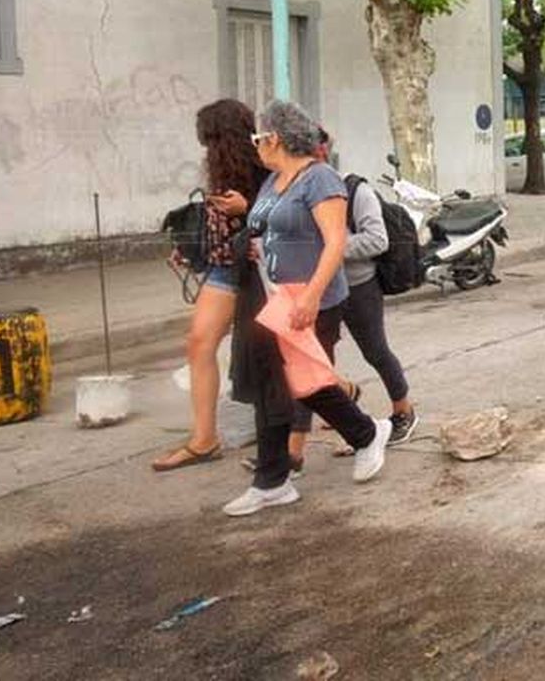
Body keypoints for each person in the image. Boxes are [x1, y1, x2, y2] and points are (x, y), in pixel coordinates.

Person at [224, 100, 390, 517]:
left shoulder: (320, 179)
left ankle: (367, 434)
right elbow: (267, 223)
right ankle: (272, 480)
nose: (256, 145)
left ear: (274, 138)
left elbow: (335, 241)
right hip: (274, 297)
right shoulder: (273, 181)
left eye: (258, 138)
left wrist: (312, 297)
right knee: (276, 387)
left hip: (312, 300)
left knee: (307, 384)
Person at [152, 100, 268, 472]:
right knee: (199, 343)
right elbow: (214, 222)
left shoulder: (265, 161)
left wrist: (246, 208)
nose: (206, 149)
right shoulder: (218, 169)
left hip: (259, 270)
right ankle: (204, 439)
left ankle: (342, 399)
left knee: (287, 350)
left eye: (210, 139)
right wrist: (190, 252)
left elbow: (288, 215)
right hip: (222, 268)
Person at [317, 130, 418, 446]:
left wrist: (331, 248)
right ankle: (340, 406)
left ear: (320, 153)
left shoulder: (354, 190)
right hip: (321, 287)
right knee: (318, 359)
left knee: (375, 350)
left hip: (359, 286)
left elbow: (378, 239)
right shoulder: (300, 192)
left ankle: (404, 410)